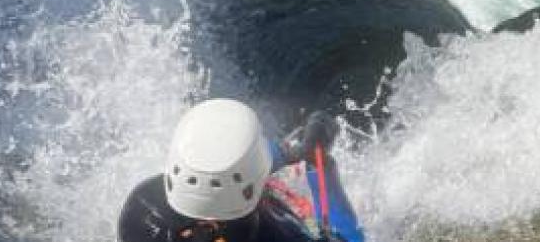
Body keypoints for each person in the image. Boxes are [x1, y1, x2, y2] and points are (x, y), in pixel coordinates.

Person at [119, 99, 365, 242]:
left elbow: (224, 177)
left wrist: (288, 154)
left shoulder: (142, 209)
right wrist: (319, 164)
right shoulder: (278, 235)